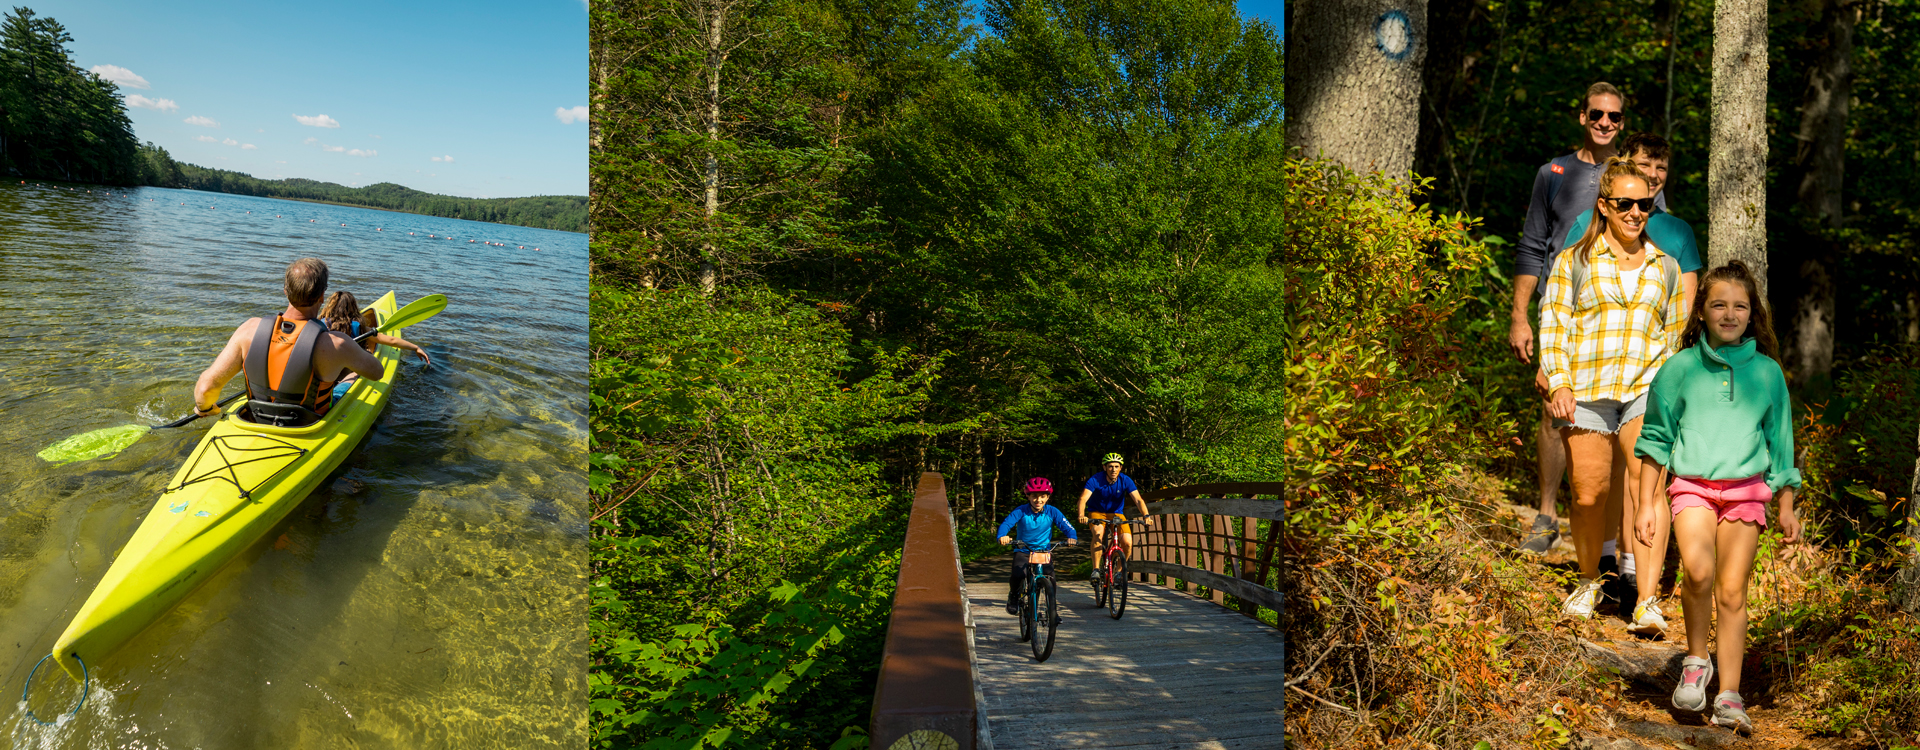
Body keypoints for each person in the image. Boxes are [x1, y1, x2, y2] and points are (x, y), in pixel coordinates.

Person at [1633, 261, 1801, 736]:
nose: (1729, 314)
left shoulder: (1768, 373)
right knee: (1698, 571)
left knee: (1731, 591)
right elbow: (1655, 440)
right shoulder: (1679, 369)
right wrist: (1646, 505)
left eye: (1740, 306)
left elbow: (1781, 442)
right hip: (1692, 487)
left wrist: (1786, 505)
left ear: (1753, 315)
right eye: (1719, 305)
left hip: (1746, 491)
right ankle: (1695, 661)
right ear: (1701, 312)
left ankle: (1729, 695)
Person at [1512, 82, 1666, 563]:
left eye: (1614, 116)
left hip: (1619, 324)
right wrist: (1521, 316)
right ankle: (1545, 515)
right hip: (1565, 310)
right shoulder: (1554, 172)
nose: (1605, 122)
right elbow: (1533, 244)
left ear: (1623, 122)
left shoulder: (1635, 178)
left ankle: (1611, 548)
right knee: (1554, 410)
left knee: (1623, 439)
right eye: (1597, 114)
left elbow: (1658, 245)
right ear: (1583, 117)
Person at [1559, 132, 1704, 615]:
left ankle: (1645, 600)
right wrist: (1557, 378)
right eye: (1624, 204)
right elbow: (1554, 321)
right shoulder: (1574, 259)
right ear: (1604, 205)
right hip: (1587, 387)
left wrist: (1674, 389)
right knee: (1587, 491)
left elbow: (1672, 331)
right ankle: (1586, 581)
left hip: (1645, 388)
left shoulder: (1664, 265)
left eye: (1643, 205)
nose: (1635, 213)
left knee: (1648, 485)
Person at [191, 258, 385, 427]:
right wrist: (351, 354)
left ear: (286, 291)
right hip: (310, 423)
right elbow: (377, 373)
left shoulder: (248, 330)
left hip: (255, 419)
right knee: (350, 376)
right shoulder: (336, 343)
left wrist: (206, 408)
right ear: (321, 297)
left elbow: (205, 389)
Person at [317, 290, 431, 403]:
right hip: (346, 371)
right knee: (356, 372)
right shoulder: (360, 329)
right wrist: (415, 348)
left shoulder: (321, 325)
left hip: (326, 371)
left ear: (329, 306)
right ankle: (339, 394)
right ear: (354, 308)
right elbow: (392, 340)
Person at [998, 477, 1078, 615]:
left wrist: (1072, 537)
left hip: (1042, 551)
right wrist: (1002, 536)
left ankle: (1052, 611)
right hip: (1023, 550)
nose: (1038, 500)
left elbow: (1067, 526)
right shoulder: (1021, 511)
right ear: (1028, 496)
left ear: (1047, 497)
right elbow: (1006, 524)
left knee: (1050, 578)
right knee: (1018, 575)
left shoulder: (1052, 511)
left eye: (1042, 496)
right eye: (1034, 496)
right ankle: (1014, 596)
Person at [1075, 453, 1154, 581]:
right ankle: (1095, 570)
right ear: (1104, 467)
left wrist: (1146, 516)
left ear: (1121, 468)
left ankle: (1118, 572)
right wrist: (1081, 515)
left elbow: (1138, 500)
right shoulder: (1096, 479)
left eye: (1116, 466)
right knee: (1098, 533)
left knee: (1127, 542)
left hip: (1117, 514)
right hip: (1097, 512)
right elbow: (1083, 498)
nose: (1113, 469)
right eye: (1110, 466)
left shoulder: (1125, 480)